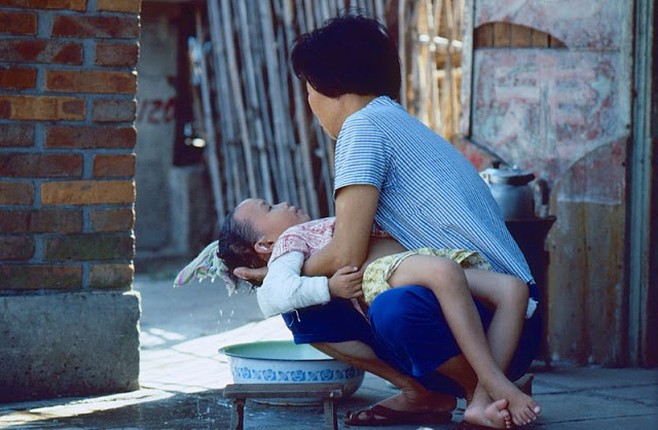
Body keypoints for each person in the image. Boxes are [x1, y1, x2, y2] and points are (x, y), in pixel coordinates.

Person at [232, 12, 543, 429]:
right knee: (313, 307)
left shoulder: (362, 130)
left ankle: (485, 393)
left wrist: (280, 274)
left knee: (393, 307)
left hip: (501, 319)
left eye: (308, 88)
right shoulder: (391, 120)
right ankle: (428, 393)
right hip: (508, 306)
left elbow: (346, 252)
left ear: (328, 85)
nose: (309, 101)